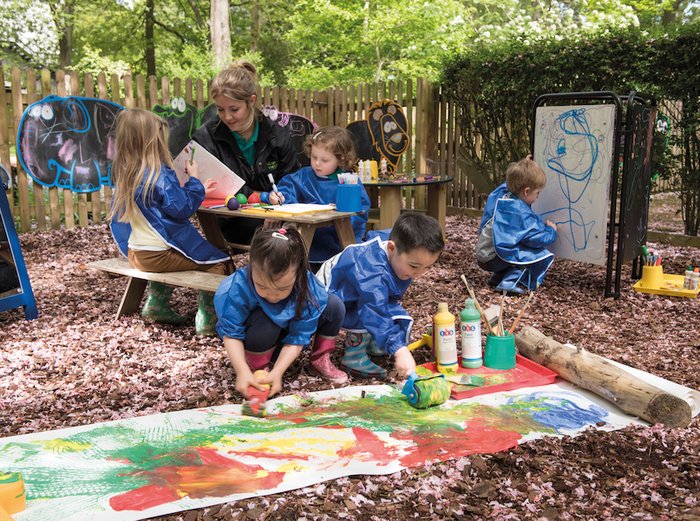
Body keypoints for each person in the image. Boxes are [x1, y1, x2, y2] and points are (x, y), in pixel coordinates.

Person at [109, 108, 234, 336]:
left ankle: (157, 305)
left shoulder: (125, 170)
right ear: (151, 141)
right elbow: (181, 208)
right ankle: (207, 319)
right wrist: (194, 180)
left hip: (136, 252)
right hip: (156, 256)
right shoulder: (158, 173)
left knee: (187, 254)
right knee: (219, 262)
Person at [214, 226, 348, 398]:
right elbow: (232, 333)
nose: (271, 295)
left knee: (333, 305)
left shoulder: (309, 288)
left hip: (284, 341)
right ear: (251, 266)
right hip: (257, 339)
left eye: (282, 288)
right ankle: (255, 365)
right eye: (261, 286)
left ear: (298, 273)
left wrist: (278, 372)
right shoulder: (238, 287)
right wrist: (241, 370)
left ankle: (319, 360)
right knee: (266, 320)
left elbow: (299, 335)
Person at [317, 212, 444, 379]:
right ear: (391, 248)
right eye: (414, 266)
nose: (419, 273)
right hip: (330, 295)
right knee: (369, 310)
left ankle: (371, 342)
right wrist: (399, 349)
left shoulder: (401, 245)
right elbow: (373, 309)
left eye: (427, 267)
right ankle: (354, 356)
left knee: (382, 304)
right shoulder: (372, 272)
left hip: (357, 292)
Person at [193, 60, 299, 245]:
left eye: (234, 109)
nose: (227, 117)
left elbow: (292, 181)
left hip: (276, 217)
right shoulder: (206, 136)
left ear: (251, 100)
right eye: (220, 110)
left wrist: (277, 207)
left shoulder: (278, 136)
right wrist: (260, 196)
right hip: (228, 219)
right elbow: (216, 185)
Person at [262, 126, 370, 269]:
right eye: (314, 157)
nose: (317, 163)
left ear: (341, 160)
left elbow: (360, 211)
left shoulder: (348, 182)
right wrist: (279, 196)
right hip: (306, 243)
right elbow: (287, 189)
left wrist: (342, 210)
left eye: (325, 160)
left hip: (337, 245)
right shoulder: (303, 176)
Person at [475, 156, 558, 295]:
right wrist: (551, 231)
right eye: (537, 193)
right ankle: (507, 283)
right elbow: (535, 239)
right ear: (526, 191)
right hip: (494, 258)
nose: (537, 197)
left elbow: (508, 183)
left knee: (511, 245)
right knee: (533, 254)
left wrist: (520, 173)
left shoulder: (500, 195)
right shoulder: (519, 211)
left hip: (483, 256)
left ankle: (497, 278)